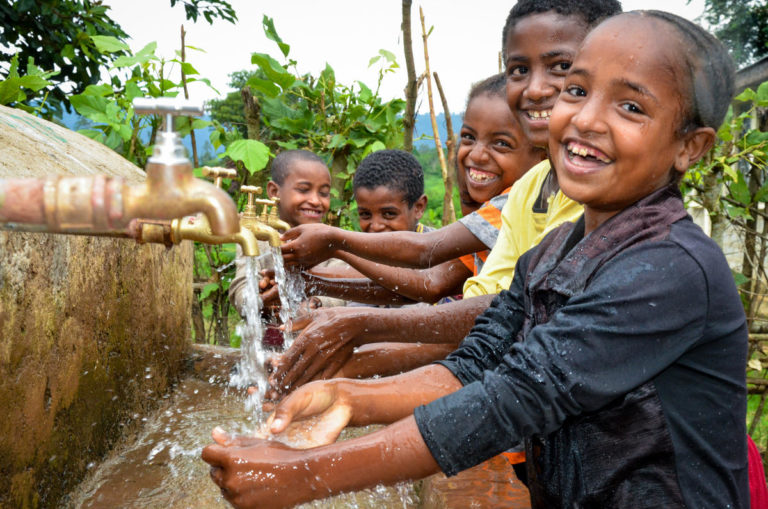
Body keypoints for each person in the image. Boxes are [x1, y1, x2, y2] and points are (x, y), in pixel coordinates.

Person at [203, 11, 748, 508]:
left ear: (690, 147)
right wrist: (346, 397)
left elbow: (518, 396)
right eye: (577, 90)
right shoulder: (553, 251)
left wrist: (307, 473)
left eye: (630, 106)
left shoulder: (672, 269)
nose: (585, 119)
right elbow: (480, 361)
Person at [268, 0, 617, 392]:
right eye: (520, 69)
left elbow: (435, 273)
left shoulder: (594, 200)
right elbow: (472, 304)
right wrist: (340, 363)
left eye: (560, 67)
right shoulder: (528, 190)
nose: (536, 88)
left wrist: (343, 274)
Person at [303, 76, 544, 306]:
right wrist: (310, 281)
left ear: (541, 151)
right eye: (469, 137)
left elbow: (424, 253)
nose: (476, 155)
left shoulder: (518, 201)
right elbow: (430, 283)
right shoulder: (491, 219)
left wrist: (336, 242)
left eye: (501, 143)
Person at [228, 149, 344, 319]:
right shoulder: (256, 237)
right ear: (274, 192)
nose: (315, 201)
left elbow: (342, 292)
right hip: (265, 343)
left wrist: (316, 303)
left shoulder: (332, 242)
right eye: (304, 190)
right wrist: (260, 297)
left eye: (324, 193)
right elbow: (241, 286)